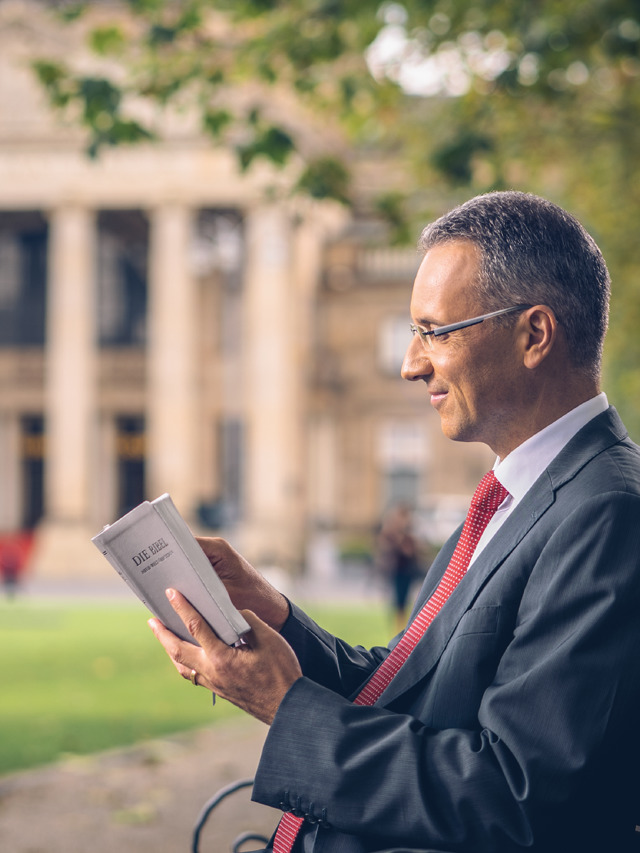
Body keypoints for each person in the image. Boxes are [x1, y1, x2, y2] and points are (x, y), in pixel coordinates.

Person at [148, 191, 640, 853]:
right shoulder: (518, 493)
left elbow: (512, 795)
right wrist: (277, 613)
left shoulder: (607, 512)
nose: (411, 363)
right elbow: (418, 687)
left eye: (434, 330)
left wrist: (285, 705)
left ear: (534, 334)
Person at [376, 503, 421, 632]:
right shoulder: (392, 533)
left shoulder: (408, 533)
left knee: (405, 601)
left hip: (408, 570)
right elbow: (384, 548)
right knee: (398, 601)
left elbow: (411, 552)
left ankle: (402, 628)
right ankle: (398, 628)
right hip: (397, 571)